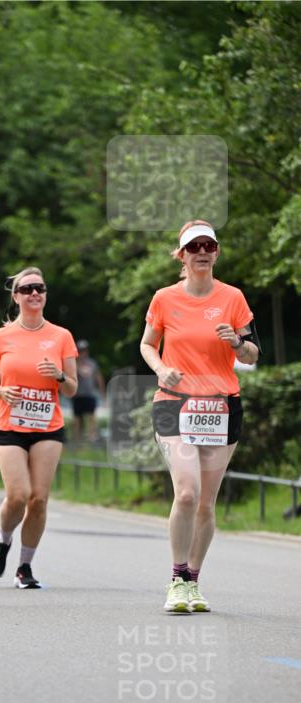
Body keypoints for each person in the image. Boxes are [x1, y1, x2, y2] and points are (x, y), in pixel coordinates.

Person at [140, 220, 259, 613]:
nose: (202, 252)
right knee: (186, 492)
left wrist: (238, 343)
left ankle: (193, 581)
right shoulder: (164, 299)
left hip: (221, 406)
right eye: (194, 247)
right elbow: (147, 345)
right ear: (182, 256)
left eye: (209, 245)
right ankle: (176, 579)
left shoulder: (233, 298)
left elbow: (253, 354)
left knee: (206, 504)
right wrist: (160, 369)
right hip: (174, 403)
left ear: (217, 252)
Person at [0, 266, 78, 588]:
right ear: (16, 297)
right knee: (18, 495)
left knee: (39, 499)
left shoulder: (61, 336)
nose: (35, 293)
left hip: (47, 425)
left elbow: (73, 388)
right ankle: (3, 539)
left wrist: (59, 376)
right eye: (28, 289)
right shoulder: (1, 337)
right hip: (9, 424)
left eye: (40, 288)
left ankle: (25, 567)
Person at [73, 339, 105, 444]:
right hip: (78, 395)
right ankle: (78, 439)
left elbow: (98, 378)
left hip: (90, 394)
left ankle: (91, 437)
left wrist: (102, 393)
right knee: (78, 418)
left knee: (91, 416)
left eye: (84, 350)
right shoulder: (74, 363)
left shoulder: (92, 363)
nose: (83, 353)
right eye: (81, 351)